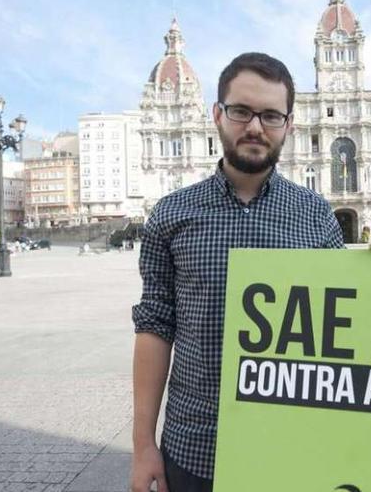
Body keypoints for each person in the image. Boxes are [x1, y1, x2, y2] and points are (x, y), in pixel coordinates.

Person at [130, 52, 344, 492]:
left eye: (270, 115)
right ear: (217, 115)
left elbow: (348, 324)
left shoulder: (317, 216)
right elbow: (155, 326)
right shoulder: (171, 213)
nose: (254, 127)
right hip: (194, 447)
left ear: (289, 126)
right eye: (242, 111)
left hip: (294, 448)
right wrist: (142, 446)